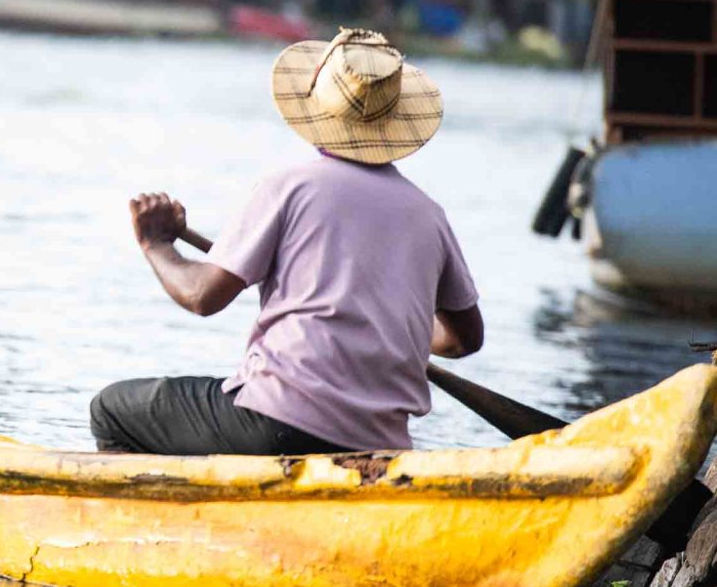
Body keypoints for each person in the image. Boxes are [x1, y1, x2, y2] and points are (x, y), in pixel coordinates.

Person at [90, 28, 484, 456]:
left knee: (110, 410)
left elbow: (202, 295)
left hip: (277, 422)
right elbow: (463, 339)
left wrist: (157, 246)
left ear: (318, 109)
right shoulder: (429, 215)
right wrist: (379, 326)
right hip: (379, 441)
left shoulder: (289, 187)